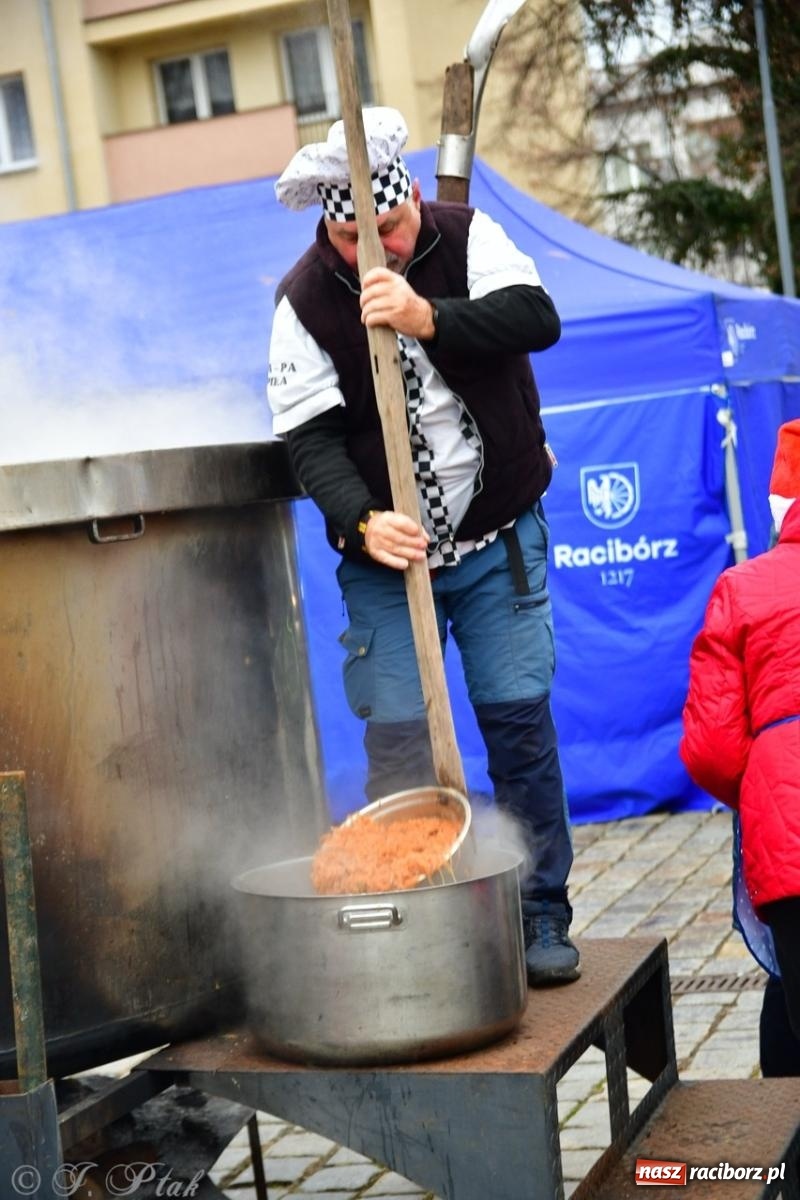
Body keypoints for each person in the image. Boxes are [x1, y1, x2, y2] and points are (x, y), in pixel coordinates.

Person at [268, 107, 578, 986]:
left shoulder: (468, 237)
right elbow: (310, 443)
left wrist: (426, 315)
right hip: (387, 558)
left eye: (399, 227)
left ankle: (540, 915)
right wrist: (362, 519)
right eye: (369, 234)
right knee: (399, 744)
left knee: (519, 728)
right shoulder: (301, 301)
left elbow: (535, 318)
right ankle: (412, 920)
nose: (391, 244)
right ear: (334, 230)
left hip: (497, 536)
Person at [680, 417, 800, 1053]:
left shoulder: (742, 588)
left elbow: (711, 748)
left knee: (788, 989)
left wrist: (764, 788)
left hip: (787, 841)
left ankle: (777, 1146)